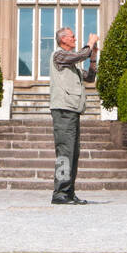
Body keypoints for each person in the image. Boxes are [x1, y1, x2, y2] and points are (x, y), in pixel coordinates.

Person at [47, 26, 99, 205]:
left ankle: (69, 193)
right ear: (63, 40)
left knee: (73, 153)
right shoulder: (59, 56)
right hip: (62, 111)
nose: (75, 39)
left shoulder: (72, 66)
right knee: (65, 152)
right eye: (72, 37)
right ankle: (59, 193)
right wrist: (89, 45)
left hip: (72, 111)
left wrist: (93, 55)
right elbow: (80, 55)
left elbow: (90, 77)